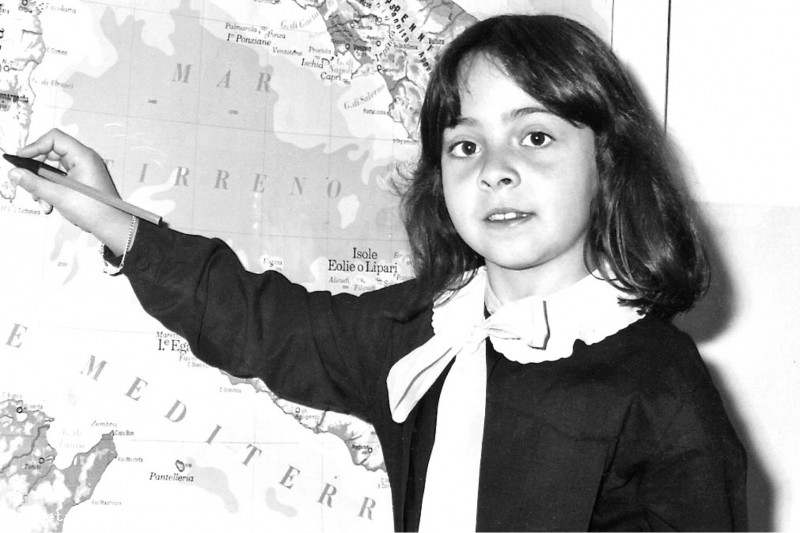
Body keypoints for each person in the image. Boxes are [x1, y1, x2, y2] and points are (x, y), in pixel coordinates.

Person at [7, 14, 746, 532]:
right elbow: (263, 323)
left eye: (536, 136)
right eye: (465, 146)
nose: (495, 169)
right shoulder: (422, 333)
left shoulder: (660, 380)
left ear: (609, 163)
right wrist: (107, 215)